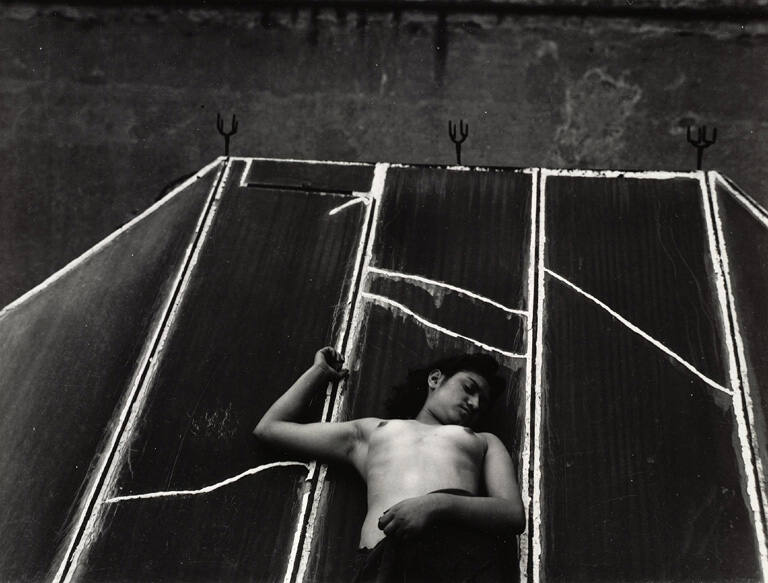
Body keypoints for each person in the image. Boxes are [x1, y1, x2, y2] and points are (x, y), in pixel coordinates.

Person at [253, 347, 525, 582]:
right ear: (435, 379)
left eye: (483, 403)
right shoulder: (373, 431)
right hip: (383, 562)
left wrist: (436, 504)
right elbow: (270, 428)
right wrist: (319, 372)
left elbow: (512, 513)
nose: (475, 403)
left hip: (456, 561)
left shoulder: (483, 440)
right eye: (469, 388)